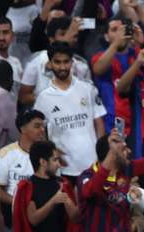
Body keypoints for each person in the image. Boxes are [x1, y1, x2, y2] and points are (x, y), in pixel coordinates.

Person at [33, 43, 107, 178]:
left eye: (66, 62)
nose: (62, 67)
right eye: (57, 62)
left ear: (72, 62)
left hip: (92, 164)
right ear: (50, 64)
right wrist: (52, 153)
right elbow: (38, 132)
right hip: (65, 169)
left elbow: (99, 123)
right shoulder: (43, 98)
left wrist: (102, 155)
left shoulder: (88, 89)